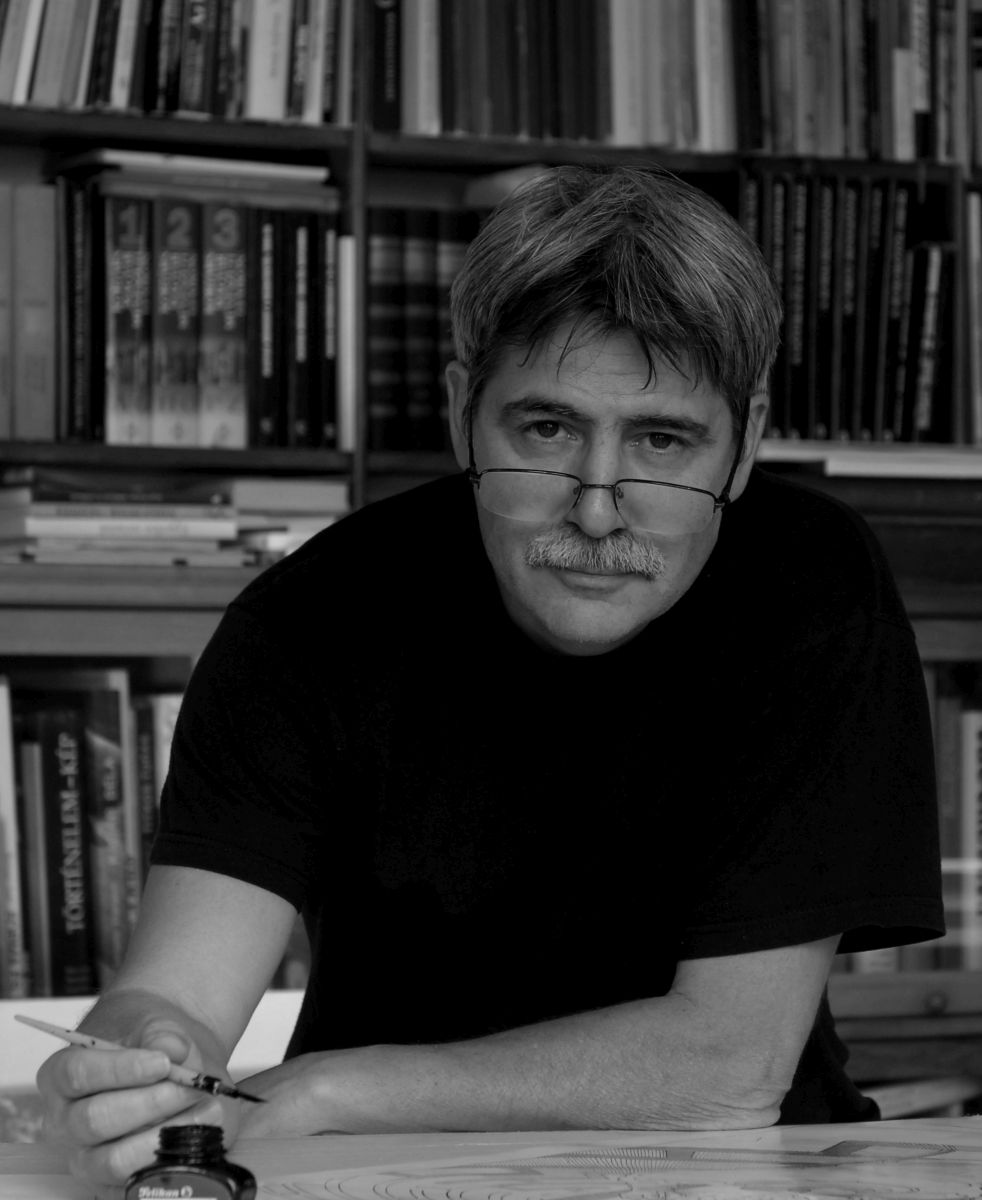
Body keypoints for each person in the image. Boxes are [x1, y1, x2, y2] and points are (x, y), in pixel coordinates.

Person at [37, 164, 943, 1195]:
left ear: (744, 447)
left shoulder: (812, 586)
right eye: (546, 430)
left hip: (739, 1178)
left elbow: (728, 1070)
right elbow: (175, 998)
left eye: (661, 441)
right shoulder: (308, 621)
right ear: (463, 410)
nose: (595, 510)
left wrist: (329, 1089)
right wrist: (131, 1063)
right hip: (379, 1179)